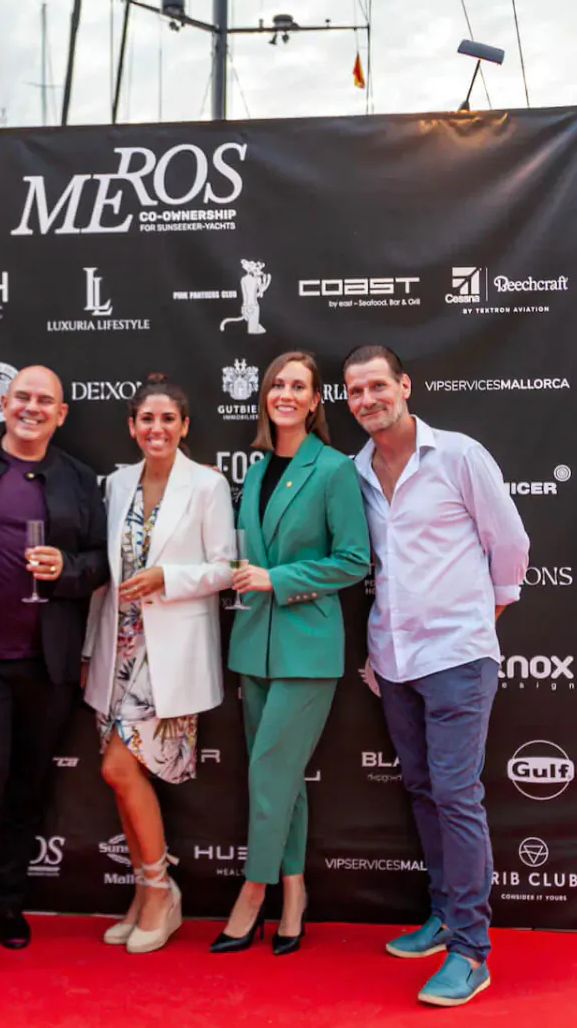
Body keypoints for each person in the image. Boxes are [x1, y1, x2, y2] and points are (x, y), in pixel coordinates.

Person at [343, 344, 529, 1009]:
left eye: (376, 386)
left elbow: (509, 545)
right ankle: (446, 913)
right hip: (392, 660)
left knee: (455, 794)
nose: (366, 399)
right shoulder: (357, 470)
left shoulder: (458, 456)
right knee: (423, 790)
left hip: (457, 657)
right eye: (355, 391)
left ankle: (472, 952)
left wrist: (480, 617)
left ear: (404, 385)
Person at [0, 364, 108, 971]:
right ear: (4, 403)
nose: (32, 408)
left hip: (47, 664)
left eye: (45, 402)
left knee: (27, 788)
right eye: (22, 397)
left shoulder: (81, 482)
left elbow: (99, 564)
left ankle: (7, 901)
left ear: (62, 414)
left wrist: (68, 570)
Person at [213, 350, 370, 956]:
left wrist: (276, 579)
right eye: (277, 382)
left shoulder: (332, 470)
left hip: (308, 646)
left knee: (269, 776)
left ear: (314, 402)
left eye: (298, 385)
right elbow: (243, 552)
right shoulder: (254, 472)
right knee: (284, 781)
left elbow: (354, 561)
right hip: (253, 644)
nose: (285, 392)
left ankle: (253, 893)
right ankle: (295, 891)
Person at [82, 374, 235, 954]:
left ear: (185, 426)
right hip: (116, 650)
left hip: (168, 655)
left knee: (119, 771)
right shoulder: (119, 483)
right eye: (146, 419)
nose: (157, 429)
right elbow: (107, 573)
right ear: (131, 426)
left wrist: (169, 578)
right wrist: (88, 652)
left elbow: (225, 568)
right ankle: (146, 893)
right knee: (127, 780)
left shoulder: (207, 484)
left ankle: (159, 890)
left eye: (168, 419)